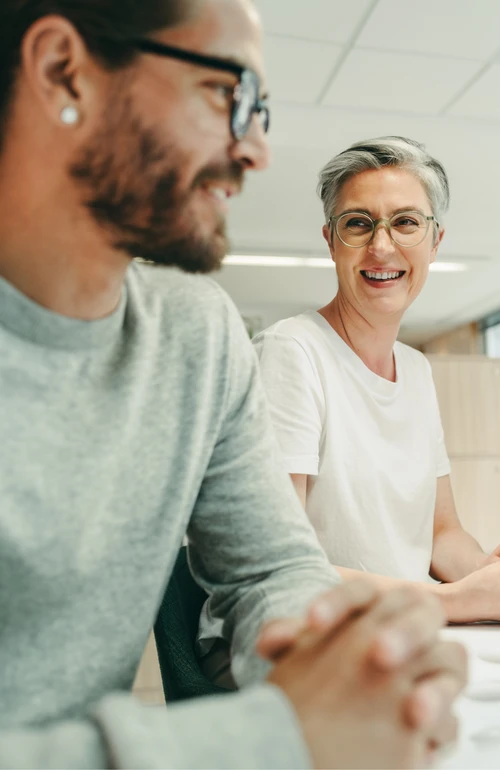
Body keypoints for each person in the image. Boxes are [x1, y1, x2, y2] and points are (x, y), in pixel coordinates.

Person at [0, 2, 467, 768]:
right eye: (229, 96)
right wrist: (274, 735)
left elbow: (271, 569)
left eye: (263, 111)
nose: (256, 151)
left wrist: (350, 671)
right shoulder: (290, 350)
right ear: (63, 70)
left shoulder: (196, 334)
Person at [251, 136, 500, 626]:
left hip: (396, 631)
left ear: (435, 241)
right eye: (358, 224)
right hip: (298, 645)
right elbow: (280, 569)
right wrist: (463, 601)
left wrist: (493, 573)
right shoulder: (291, 353)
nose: (381, 246)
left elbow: (442, 534)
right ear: (330, 241)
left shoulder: (415, 370)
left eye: (406, 222)